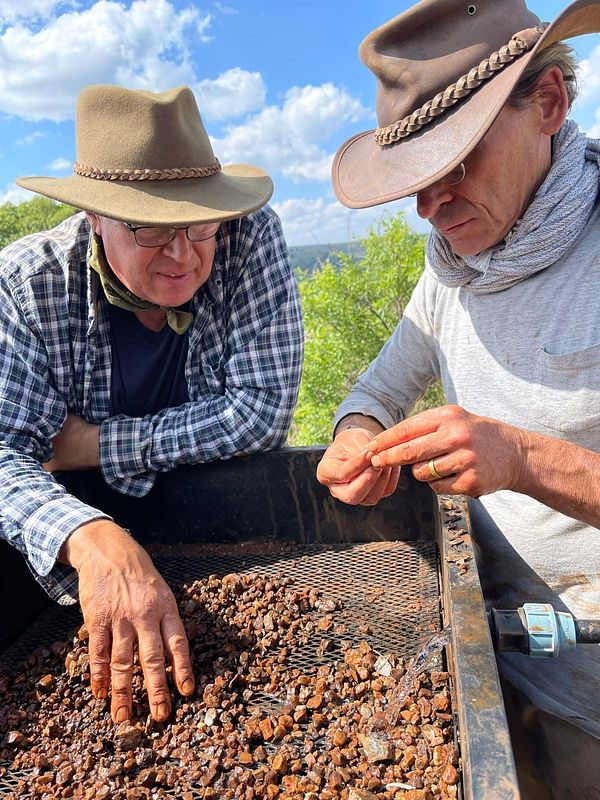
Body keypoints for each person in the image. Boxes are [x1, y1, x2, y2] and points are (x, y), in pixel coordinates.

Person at [317, 0, 600, 796]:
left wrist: (522, 458)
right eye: (416, 176)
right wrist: (355, 436)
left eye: (458, 161)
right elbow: (377, 389)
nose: (428, 205)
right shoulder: (451, 268)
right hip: (490, 660)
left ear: (547, 103)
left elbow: (517, 456)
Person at [0, 84, 303, 725]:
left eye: (200, 224)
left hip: (223, 525)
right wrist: (88, 538)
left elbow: (262, 409)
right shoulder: (27, 287)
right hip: (86, 533)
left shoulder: (247, 238)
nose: (183, 254)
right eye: (152, 228)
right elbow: (5, 454)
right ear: (96, 217)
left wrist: (96, 445)